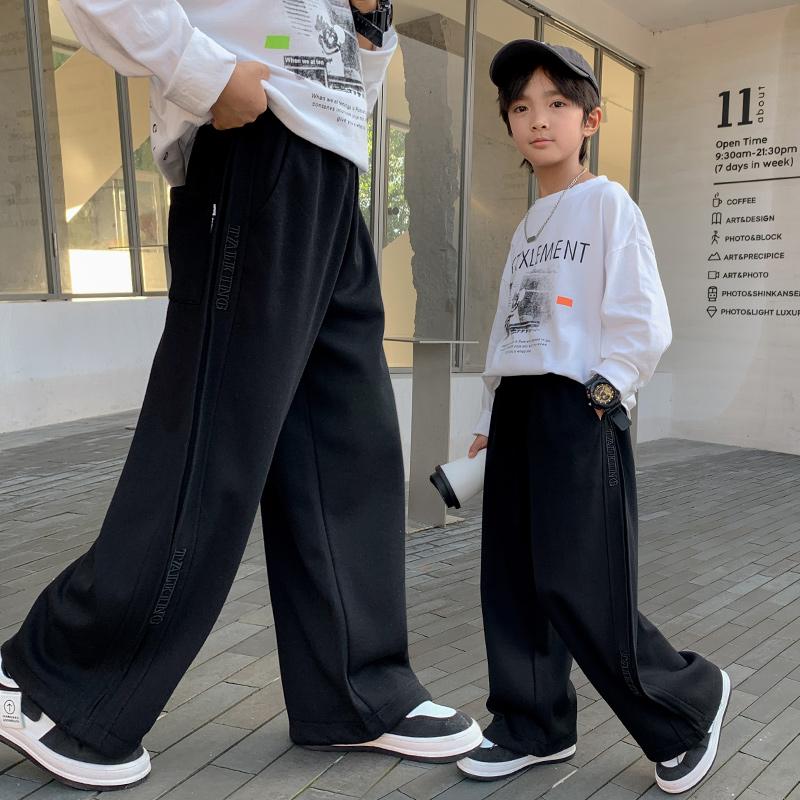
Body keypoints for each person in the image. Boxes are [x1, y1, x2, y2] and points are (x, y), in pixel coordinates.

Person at [0, 1, 482, 791]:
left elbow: (342, 76)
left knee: (348, 447)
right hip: (253, 143)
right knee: (214, 448)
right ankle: (51, 682)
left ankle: (354, 689)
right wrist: (204, 72)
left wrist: (369, 26)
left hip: (331, 172)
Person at [454, 41, 729, 795]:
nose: (537, 120)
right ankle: (532, 725)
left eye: (556, 104)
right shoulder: (528, 225)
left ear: (590, 120)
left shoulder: (608, 203)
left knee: (582, 581)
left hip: (579, 405)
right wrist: (490, 413)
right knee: (514, 580)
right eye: (521, 107)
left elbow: (643, 316)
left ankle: (687, 705)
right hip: (519, 408)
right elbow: (511, 330)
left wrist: (605, 395)